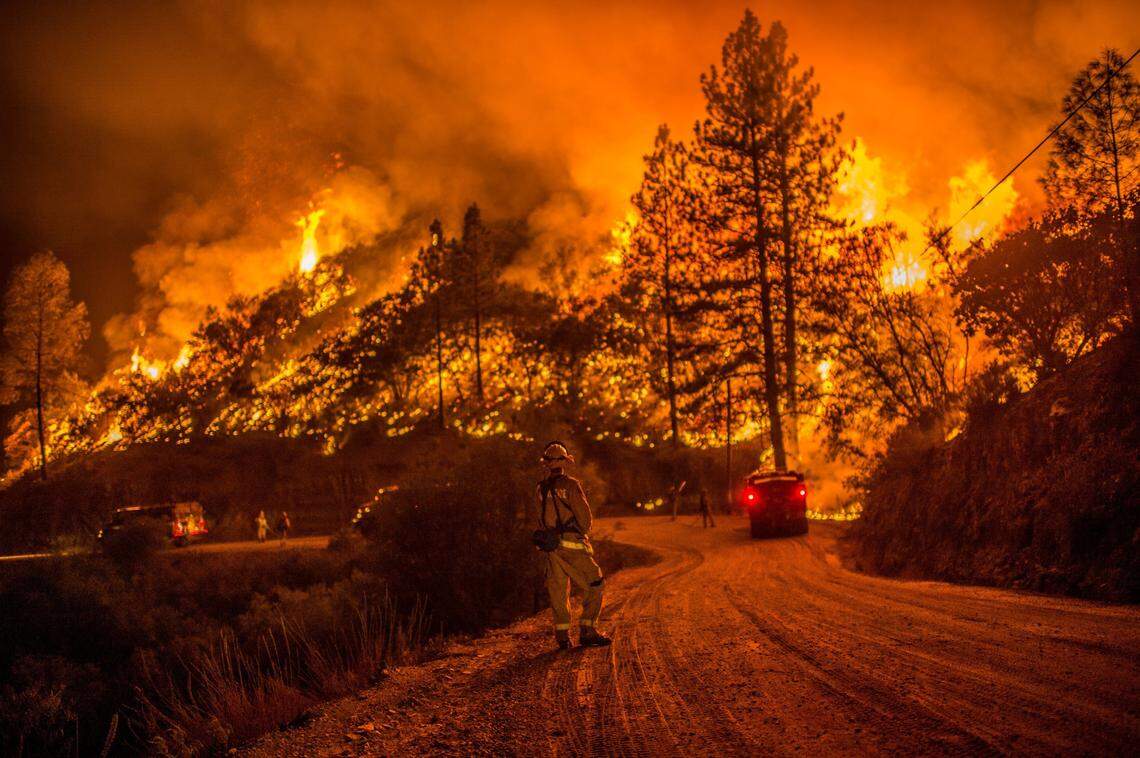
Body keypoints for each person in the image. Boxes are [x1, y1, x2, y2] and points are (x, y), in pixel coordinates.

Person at [536, 441, 611, 650]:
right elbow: (585, 519)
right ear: (564, 462)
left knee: (559, 591)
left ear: (547, 464)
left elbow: (540, 520)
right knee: (595, 582)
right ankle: (588, 630)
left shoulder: (540, 488)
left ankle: (562, 637)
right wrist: (581, 533)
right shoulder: (571, 485)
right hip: (572, 546)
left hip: (550, 548)